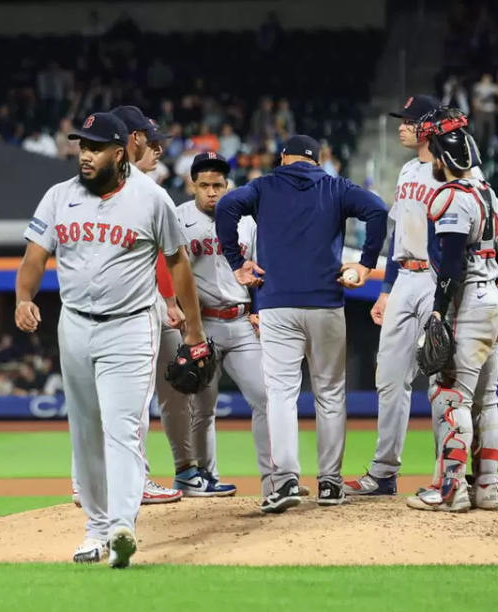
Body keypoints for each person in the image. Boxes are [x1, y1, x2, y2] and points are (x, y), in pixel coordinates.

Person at [14, 112, 208, 568]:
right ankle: (95, 530)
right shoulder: (59, 197)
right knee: (84, 429)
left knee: (121, 427)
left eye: (95, 147)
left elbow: (178, 264)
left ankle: (121, 526)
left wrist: (194, 331)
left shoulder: (151, 199)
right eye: (82, 145)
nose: (85, 154)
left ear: (119, 153)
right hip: (75, 324)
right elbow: (35, 256)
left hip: (130, 325)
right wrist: (23, 297)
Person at [216, 134, 387, 512]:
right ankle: (330, 483)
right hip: (326, 302)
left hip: (277, 305)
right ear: (317, 160)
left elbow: (226, 205)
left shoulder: (263, 186)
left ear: (283, 158)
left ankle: (286, 480)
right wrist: (366, 263)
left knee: (280, 394)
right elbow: (377, 210)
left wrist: (235, 261)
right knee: (330, 394)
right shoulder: (336, 186)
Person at [406, 108, 498, 512]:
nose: (431, 160)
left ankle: (451, 491)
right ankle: (487, 487)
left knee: (452, 398)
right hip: (495, 302)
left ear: (446, 159)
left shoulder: (451, 197)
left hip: (470, 305)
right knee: (489, 401)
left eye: (434, 154)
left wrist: (437, 311)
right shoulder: (490, 195)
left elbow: (449, 264)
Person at [345, 95, 447, 497]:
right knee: (388, 378)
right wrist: (385, 291)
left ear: (428, 127)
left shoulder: (449, 170)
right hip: (404, 276)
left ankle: (447, 475)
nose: (401, 126)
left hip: (437, 280)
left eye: (408, 121)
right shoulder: (407, 170)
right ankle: (384, 472)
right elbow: (394, 236)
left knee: (442, 380)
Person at [172, 152, 275, 497]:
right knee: (202, 407)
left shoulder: (247, 220)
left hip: (242, 321)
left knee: (266, 397)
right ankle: (204, 476)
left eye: (218, 185)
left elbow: (261, 268)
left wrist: (260, 308)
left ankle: (274, 479)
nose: (212, 192)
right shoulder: (178, 219)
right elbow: (169, 272)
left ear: (227, 185)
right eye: (205, 185)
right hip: (203, 325)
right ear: (193, 186)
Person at [110, 104, 185, 505]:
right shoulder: (148, 194)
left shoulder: (93, 188)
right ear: (132, 140)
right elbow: (165, 256)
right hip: (139, 302)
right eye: (151, 142)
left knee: (99, 400)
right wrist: (172, 301)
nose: (158, 150)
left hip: (97, 306)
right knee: (136, 399)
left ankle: (85, 482)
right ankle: (136, 482)